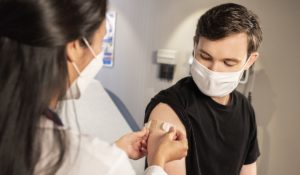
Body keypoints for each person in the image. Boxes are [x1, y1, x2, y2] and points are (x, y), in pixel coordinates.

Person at [0, 0, 188, 175]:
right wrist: (157, 162)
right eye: (104, 41)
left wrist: (114, 150)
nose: (99, 52)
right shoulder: (103, 164)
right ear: (73, 46)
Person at [144, 3, 262, 175]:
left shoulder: (246, 110)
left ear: (250, 61)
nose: (213, 70)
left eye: (228, 62)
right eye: (205, 56)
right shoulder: (168, 108)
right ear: (195, 45)